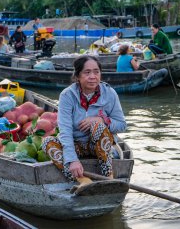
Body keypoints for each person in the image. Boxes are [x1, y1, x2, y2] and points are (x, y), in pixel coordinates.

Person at [41, 55, 127, 194]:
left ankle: (108, 176)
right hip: (77, 147)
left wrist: (101, 120)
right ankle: (83, 181)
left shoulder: (109, 93)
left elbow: (122, 125)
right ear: (78, 76)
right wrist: (72, 160)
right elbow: (65, 130)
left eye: (96, 72)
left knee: (98, 126)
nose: (93, 76)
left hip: (101, 147)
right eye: (87, 72)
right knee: (47, 142)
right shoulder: (67, 95)